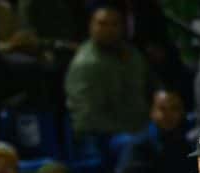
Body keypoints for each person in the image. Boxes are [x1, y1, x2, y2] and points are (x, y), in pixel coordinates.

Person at [63, 4, 151, 142]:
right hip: (103, 136)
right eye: (102, 24)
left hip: (140, 125)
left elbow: (150, 87)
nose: (109, 30)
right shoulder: (86, 63)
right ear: (91, 26)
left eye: (114, 24)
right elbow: (86, 116)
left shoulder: (132, 55)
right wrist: (128, 130)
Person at [117, 88, 193, 173]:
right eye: (162, 109)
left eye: (174, 109)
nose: (168, 115)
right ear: (152, 112)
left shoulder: (188, 145)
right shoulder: (138, 146)